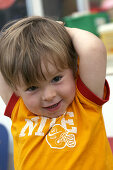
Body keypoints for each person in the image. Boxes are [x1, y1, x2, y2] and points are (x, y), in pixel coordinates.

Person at [0, 16, 113, 170]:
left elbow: (92, 48)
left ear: (73, 71)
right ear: (16, 89)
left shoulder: (84, 103)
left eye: (56, 78)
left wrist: (62, 31)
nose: (49, 95)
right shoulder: (19, 109)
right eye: (32, 88)